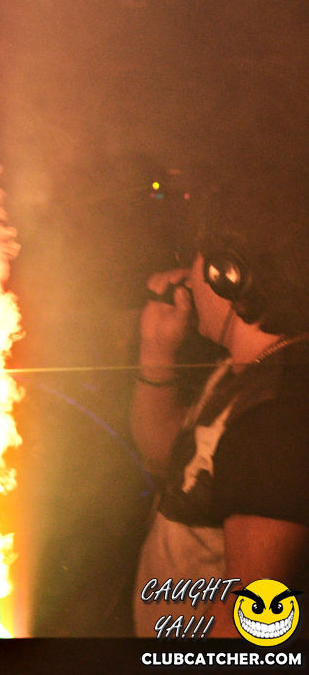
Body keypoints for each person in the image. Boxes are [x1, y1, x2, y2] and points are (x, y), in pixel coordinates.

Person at [131, 178, 309, 637]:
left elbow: (256, 622)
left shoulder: (277, 417)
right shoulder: (241, 372)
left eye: (192, 257)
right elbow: (167, 459)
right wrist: (156, 351)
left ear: (226, 274)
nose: (186, 276)